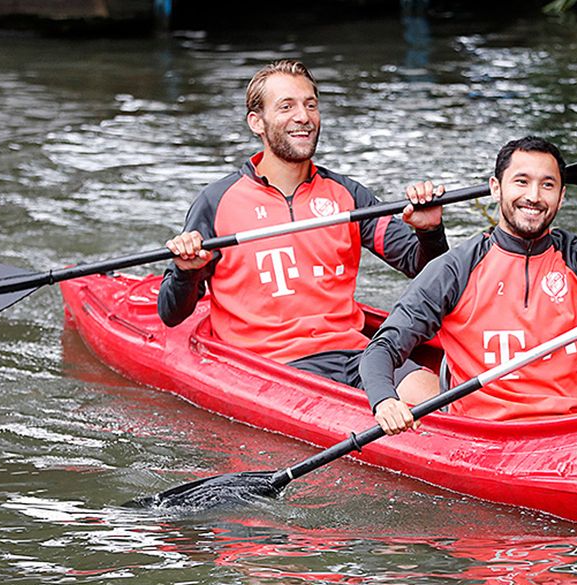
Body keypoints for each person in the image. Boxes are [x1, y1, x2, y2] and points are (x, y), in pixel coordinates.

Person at [359, 136, 577, 434]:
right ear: (496, 187)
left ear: (561, 196)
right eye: (521, 182)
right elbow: (382, 349)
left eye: (547, 185)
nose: (533, 196)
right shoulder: (455, 268)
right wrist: (385, 401)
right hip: (487, 437)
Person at [158, 59, 446, 400]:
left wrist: (429, 231)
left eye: (311, 105)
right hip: (270, 366)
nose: (303, 117)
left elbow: (424, 269)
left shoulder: (347, 195)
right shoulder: (216, 202)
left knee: (430, 397)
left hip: (354, 355)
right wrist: (186, 272)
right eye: (286, 106)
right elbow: (172, 313)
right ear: (257, 123)